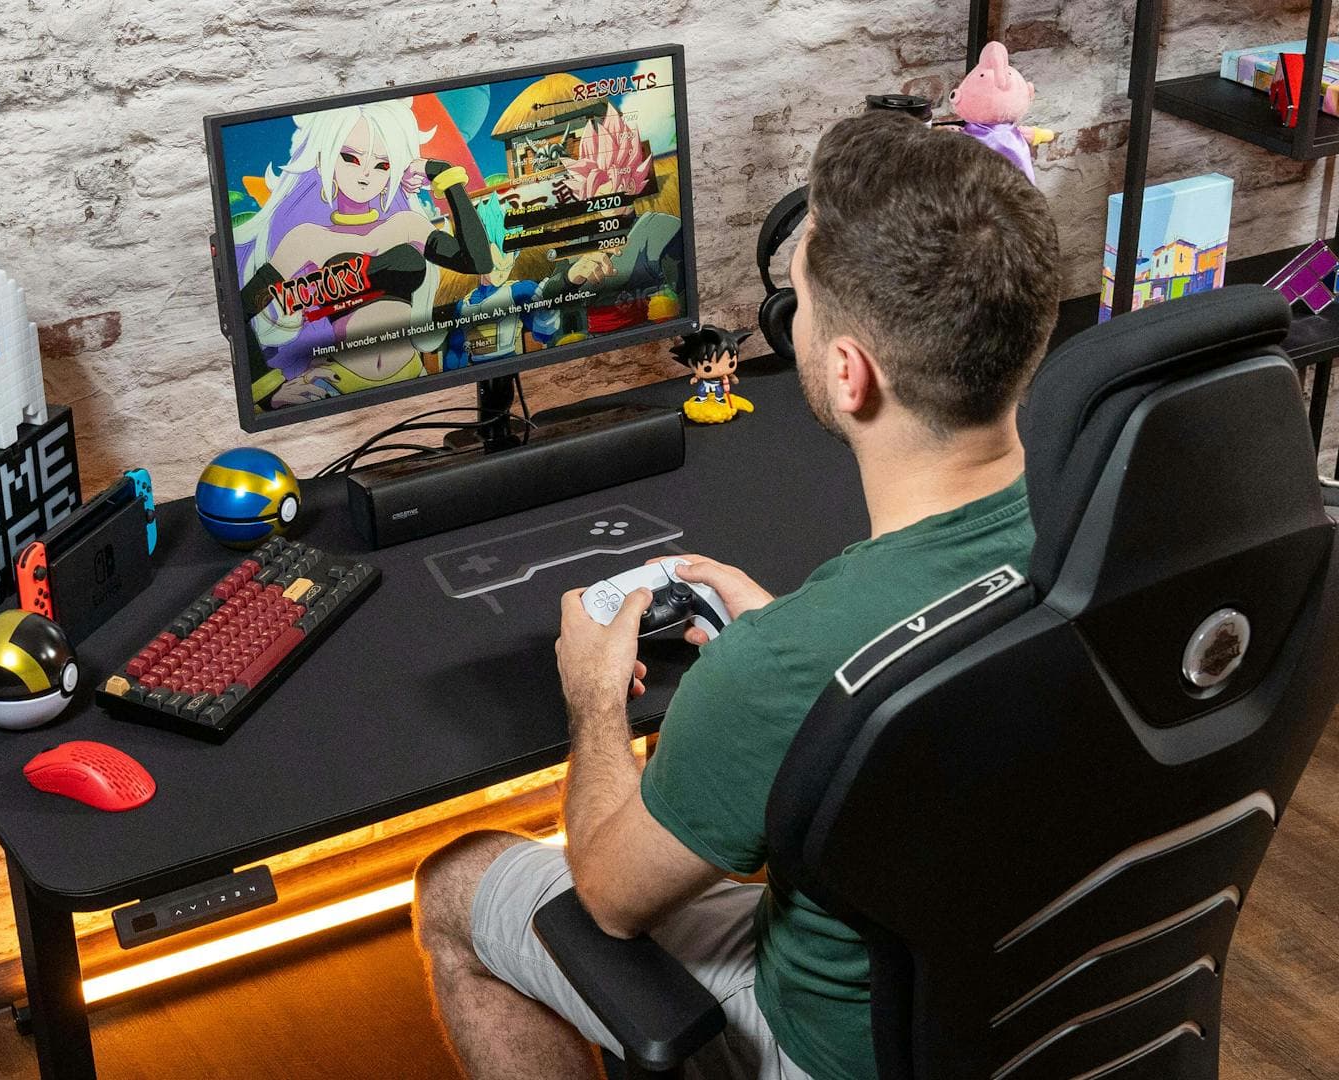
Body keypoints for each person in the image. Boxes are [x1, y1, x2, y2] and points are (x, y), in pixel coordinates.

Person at [411, 108, 1061, 1080]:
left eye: (796, 306)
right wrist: (790, 646)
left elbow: (607, 894)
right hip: (1034, 1019)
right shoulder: (1104, 536)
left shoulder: (779, 670)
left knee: (454, 885)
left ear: (848, 375)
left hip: (836, 1051)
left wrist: (593, 702)